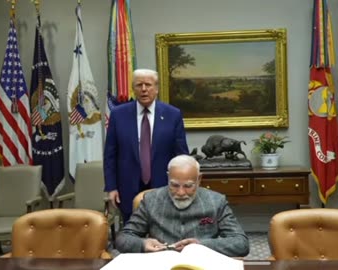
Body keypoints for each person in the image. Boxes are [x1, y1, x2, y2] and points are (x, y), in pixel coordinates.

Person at [115, 155, 250, 258]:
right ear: (168, 177)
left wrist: (201, 245)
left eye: (188, 186)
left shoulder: (216, 201)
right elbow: (122, 239)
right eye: (174, 185)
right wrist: (143, 244)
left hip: (202, 263)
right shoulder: (151, 200)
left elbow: (241, 243)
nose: (180, 192)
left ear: (199, 179)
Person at [104, 69, 189, 223]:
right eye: (139, 85)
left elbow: (181, 156)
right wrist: (111, 187)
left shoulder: (173, 115)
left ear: (156, 88)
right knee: (132, 235)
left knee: (163, 233)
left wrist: (183, 187)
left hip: (164, 187)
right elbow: (110, 155)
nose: (144, 89)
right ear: (133, 88)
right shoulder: (118, 115)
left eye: (148, 85)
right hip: (127, 187)